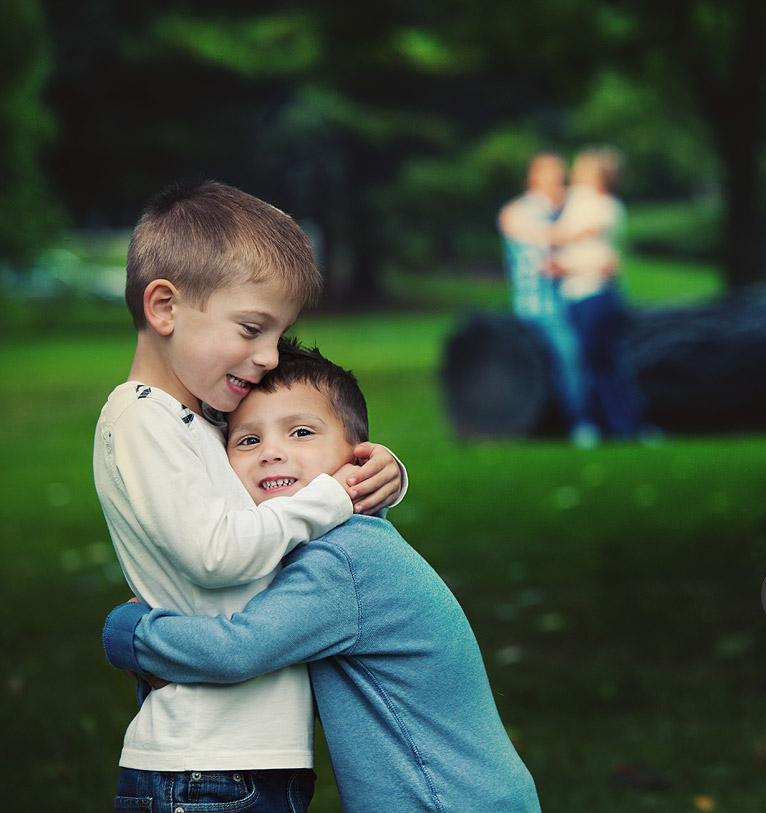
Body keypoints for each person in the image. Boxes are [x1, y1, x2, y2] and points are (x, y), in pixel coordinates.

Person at [103, 339, 542, 813]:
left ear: (359, 459)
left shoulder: (342, 562)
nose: (272, 452)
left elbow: (240, 649)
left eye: (301, 432)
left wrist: (130, 633)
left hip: (445, 800)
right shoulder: (354, 545)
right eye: (248, 440)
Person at [94, 180, 406, 812]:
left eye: (279, 334)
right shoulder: (140, 420)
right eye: (252, 328)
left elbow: (279, 487)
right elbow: (219, 553)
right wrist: (332, 497)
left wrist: (380, 475)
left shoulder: (202, 422)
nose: (268, 356)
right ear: (165, 308)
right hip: (203, 764)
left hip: (251, 759)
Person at [499, 152, 599, 447]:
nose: (557, 180)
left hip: (568, 304)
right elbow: (542, 240)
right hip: (532, 306)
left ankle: (581, 424)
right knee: (553, 364)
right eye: (550, 174)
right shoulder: (516, 211)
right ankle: (573, 425)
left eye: (559, 174)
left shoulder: (567, 209)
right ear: (533, 177)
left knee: (572, 363)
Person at [550, 146, 649, 439]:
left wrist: (525, 229)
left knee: (603, 362)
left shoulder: (603, 206)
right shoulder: (579, 202)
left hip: (595, 294)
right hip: (578, 294)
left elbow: (582, 243)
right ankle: (606, 424)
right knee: (591, 363)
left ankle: (623, 424)